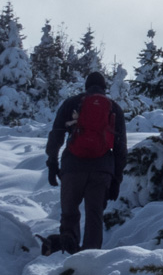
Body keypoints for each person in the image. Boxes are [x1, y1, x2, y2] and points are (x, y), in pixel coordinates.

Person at [46, 70, 128, 252]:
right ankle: (90, 256)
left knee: (69, 213)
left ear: (86, 86)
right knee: (94, 215)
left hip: (73, 167)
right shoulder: (113, 108)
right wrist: (116, 179)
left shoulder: (72, 103)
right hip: (102, 170)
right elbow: (120, 148)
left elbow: (57, 134)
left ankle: (69, 242)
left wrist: (52, 162)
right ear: (105, 88)